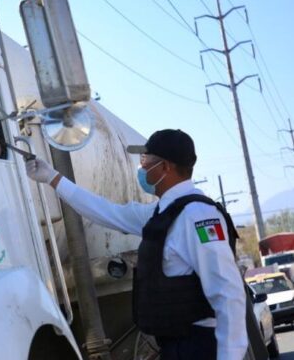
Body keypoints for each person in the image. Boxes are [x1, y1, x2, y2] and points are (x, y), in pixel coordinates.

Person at [26, 129, 248, 360]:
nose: (141, 168)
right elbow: (105, 211)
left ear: (165, 167)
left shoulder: (198, 216)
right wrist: (53, 178)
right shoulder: (161, 212)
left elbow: (227, 290)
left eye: (145, 160)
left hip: (200, 344)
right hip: (176, 345)